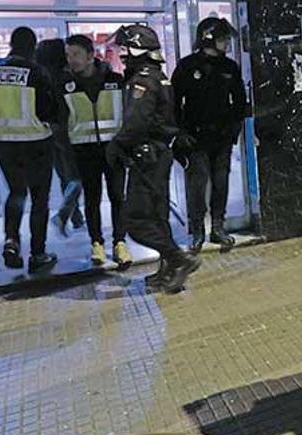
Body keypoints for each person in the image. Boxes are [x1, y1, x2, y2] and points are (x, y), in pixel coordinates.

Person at [106, 24, 201, 293]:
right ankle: (168, 272)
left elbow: (137, 122)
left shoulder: (142, 80)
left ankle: (178, 259)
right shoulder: (158, 75)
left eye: (126, 49)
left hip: (147, 156)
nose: (123, 55)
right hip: (158, 154)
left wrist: (117, 146)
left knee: (135, 221)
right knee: (158, 216)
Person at [0, 27, 59, 273]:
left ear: (11, 44)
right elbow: (47, 111)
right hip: (36, 143)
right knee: (39, 199)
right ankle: (38, 253)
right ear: (32, 47)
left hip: (2, 145)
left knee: (16, 192)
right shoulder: (36, 72)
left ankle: (11, 241)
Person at [172, 17, 247, 253]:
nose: (227, 43)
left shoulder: (230, 67)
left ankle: (218, 227)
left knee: (221, 183)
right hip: (195, 138)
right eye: (223, 39)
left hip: (222, 138)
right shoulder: (187, 66)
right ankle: (197, 231)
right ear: (209, 38)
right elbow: (174, 102)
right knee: (197, 185)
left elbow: (240, 102)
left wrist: (234, 129)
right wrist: (179, 132)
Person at [63, 34, 132, 269]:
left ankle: (120, 243)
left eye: (76, 55)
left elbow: (126, 112)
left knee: (117, 196)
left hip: (114, 149)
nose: (72, 60)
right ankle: (97, 243)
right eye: (68, 55)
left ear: (91, 56)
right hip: (84, 151)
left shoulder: (115, 79)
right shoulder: (65, 85)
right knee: (91, 199)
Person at [35, 39, 85, 236]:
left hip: (48, 132)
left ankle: (76, 217)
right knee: (77, 176)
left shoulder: (40, 78)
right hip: (68, 131)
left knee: (65, 175)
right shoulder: (67, 78)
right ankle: (65, 214)